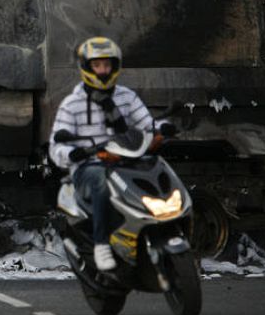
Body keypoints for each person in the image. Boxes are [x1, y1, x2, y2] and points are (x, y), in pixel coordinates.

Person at [49, 37, 174, 271]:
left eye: (107, 65)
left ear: (115, 66)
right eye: (97, 66)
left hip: (126, 160)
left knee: (159, 168)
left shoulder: (127, 97)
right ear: (87, 67)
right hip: (90, 166)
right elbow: (56, 148)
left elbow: (148, 124)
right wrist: (73, 154)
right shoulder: (72, 104)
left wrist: (164, 128)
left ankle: (167, 231)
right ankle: (102, 245)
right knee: (100, 181)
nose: (103, 71)